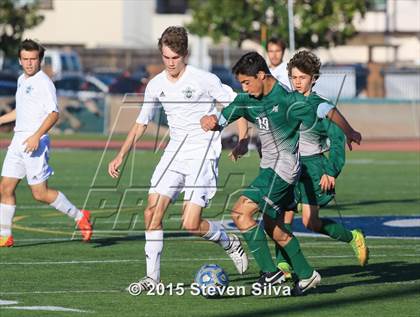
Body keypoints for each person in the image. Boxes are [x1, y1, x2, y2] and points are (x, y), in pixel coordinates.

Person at [201, 52, 363, 294]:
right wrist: (212, 120)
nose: (244, 88)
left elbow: (330, 120)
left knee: (240, 213)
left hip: (283, 170)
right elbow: (225, 116)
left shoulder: (289, 101)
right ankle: (307, 275)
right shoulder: (248, 99)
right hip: (271, 169)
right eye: (241, 84)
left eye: (246, 82)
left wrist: (345, 138)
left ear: (261, 75)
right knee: (271, 225)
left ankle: (270, 272)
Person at [108, 26, 249, 292]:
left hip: (202, 152)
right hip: (175, 152)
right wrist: (121, 155)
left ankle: (227, 241)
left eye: (175, 58)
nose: (170, 63)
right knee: (151, 211)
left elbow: (237, 105)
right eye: (166, 57)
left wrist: (242, 140)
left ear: (184, 54)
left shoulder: (203, 79)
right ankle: (152, 279)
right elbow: (141, 124)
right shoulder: (156, 85)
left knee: (191, 224)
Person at [274, 50, 368, 279]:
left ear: (313, 78)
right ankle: (283, 266)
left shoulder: (320, 105)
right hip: (288, 166)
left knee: (310, 222)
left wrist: (331, 170)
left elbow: (337, 139)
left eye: (302, 77)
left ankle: (352, 237)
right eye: (294, 77)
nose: (297, 82)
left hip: (313, 167)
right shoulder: (286, 102)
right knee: (281, 214)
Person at [0, 39, 92, 247]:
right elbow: (20, 111)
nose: (29, 63)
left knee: (39, 193)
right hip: (18, 140)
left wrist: (36, 135)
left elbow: (53, 114)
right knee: (5, 187)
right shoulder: (22, 80)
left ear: (40, 59)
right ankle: (5, 236)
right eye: (25, 59)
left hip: (36, 142)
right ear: (20, 60)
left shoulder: (44, 82)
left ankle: (80, 216)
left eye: (33, 59)